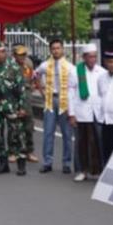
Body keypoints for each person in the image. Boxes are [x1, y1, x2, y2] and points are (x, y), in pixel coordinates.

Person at [0, 42, 27, 175]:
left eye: (3, 52)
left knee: (16, 134)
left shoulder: (14, 67)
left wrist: (22, 107)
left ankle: (21, 163)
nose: (1, 54)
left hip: (11, 105)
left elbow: (21, 89)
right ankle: (3, 163)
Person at [34, 39, 77, 174]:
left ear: (63, 49)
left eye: (58, 48)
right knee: (48, 132)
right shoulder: (45, 65)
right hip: (50, 99)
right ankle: (47, 162)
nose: (56, 50)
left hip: (65, 101)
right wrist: (41, 90)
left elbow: (75, 86)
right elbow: (35, 74)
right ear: (50, 50)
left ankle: (66, 163)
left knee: (67, 134)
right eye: (53, 48)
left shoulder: (70, 67)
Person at [70, 43, 106, 181]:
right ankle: (81, 170)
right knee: (82, 142)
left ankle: (100, 170)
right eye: (89, 57)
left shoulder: (102, 72)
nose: (92, 60)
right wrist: (71, 113)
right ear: (84, 57)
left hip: (98, 112)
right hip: (81, 112)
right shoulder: (75, 71)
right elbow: (70, 92)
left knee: (99, 142)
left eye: (94, 57)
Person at [11, 45, 38, 163]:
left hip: (26, 93)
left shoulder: (29, 63)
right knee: (14, 125)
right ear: (14, 55)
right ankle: (13, 152)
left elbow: (33, 77)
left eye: (24, 54)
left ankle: (29, 151)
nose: (22, 57)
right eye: (20, 54)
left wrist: (33, 86)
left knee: (28, 124)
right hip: (13, 94)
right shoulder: (9, 65)